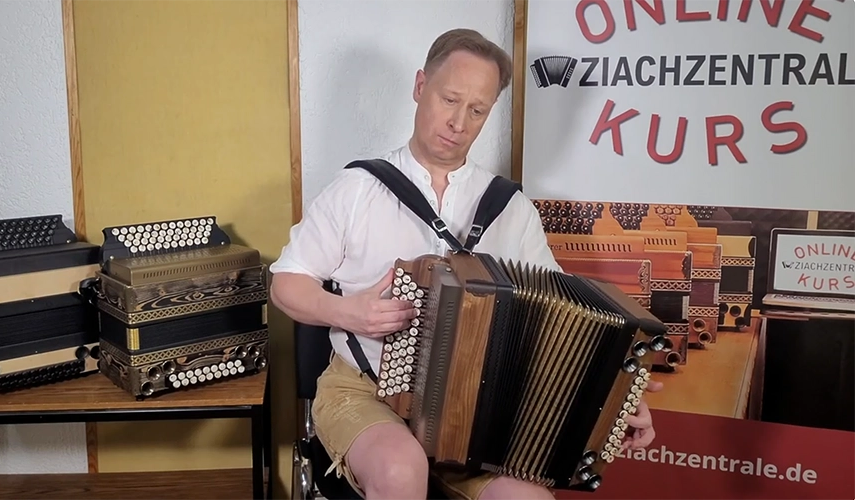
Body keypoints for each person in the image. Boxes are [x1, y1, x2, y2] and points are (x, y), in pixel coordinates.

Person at [270, 28, 662, 500]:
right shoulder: (358, 189)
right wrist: (347, 312)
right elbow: (286, 284)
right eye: (449, 99)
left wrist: (616, 399)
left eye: (477, 110)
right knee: (400, 470)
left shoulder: (511, 208)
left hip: (477, 410)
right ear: (420, 87)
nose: (458, 122)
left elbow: (564, 328)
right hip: (363, 392)